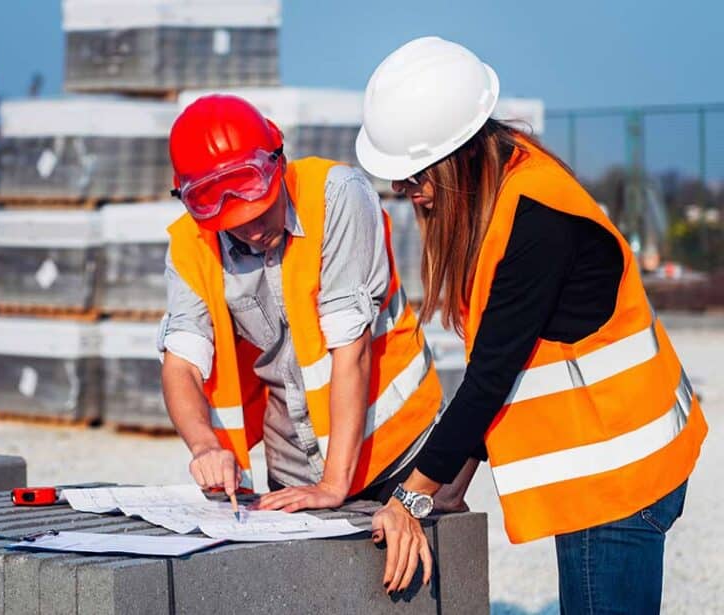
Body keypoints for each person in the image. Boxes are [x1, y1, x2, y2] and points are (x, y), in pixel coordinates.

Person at [356, 36, 707, 611]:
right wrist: (450, 486)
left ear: (455, 157)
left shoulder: (536, 221)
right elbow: (511, 363)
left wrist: (412, 498)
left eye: (414, 176)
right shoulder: (507, 187)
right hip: (610, 464)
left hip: (619, 478)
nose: (405, 193)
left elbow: (491, 376)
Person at [159, 94, 461, 520]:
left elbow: (350, 348)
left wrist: (335, 484)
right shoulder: (190, 247)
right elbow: (182, 366)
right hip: (295, 467)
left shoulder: (338, 198)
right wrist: (206, 446)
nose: (251, 228)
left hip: (397, 449)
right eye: (233, 222)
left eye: (259, 208)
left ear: (277, 162)